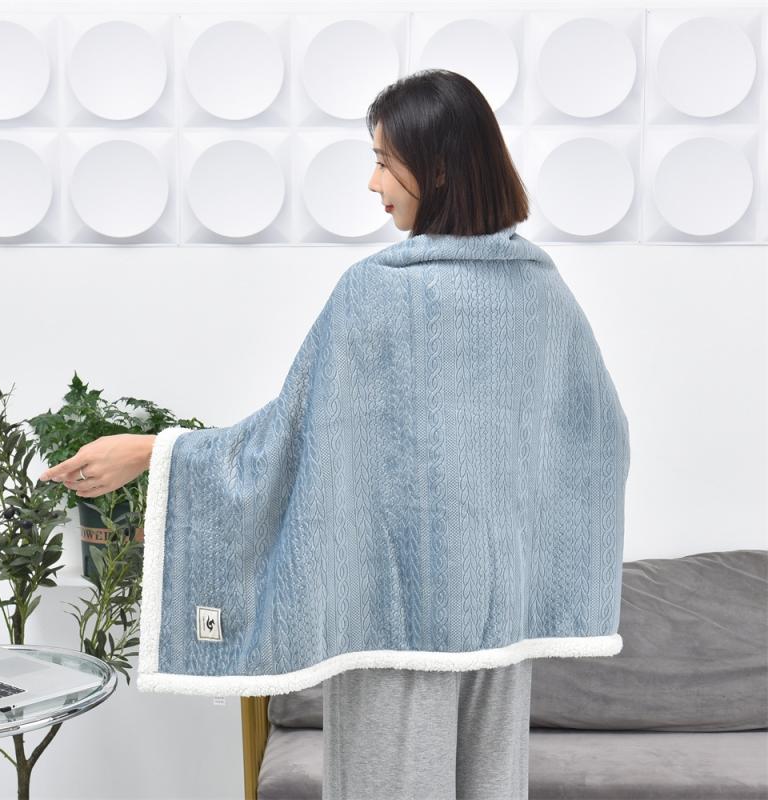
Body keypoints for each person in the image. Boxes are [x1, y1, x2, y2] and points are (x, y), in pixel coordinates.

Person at [40, 70, 629, 800]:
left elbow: (287, 443)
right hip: (499, 632)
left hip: (390, 626)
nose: (372, 182)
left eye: (384, 161)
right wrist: (524, 556)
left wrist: (152, 451)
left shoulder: (376, 292)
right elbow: (598, 438)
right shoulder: (542, 292)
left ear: (438, 169)